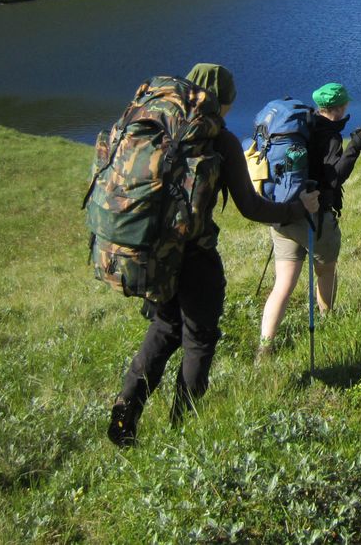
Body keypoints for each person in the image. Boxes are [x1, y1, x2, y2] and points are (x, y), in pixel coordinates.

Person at [107, 63, 319, 447]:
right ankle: (183, 426)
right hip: (195, 257)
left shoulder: (160, 123)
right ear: (221, 100)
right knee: (199, 340)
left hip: (153, 250)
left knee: (166, 326)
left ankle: (126, 407)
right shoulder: (217, 139)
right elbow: (252, 208)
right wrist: (297, 208)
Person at [258, 82, 361, 358]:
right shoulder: (330, 137)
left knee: (283, 283)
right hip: (314, 216)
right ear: (339, 108)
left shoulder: (302, 127)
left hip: (284, 211)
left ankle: (266, 346)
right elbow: (334, 178)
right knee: (326, 269)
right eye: (345, 106)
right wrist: (355, 147)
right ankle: (327, 318)